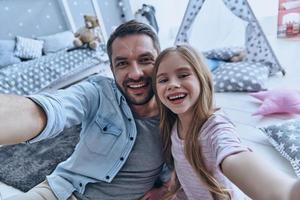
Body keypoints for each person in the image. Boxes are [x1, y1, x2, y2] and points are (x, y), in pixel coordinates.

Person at [0, 20, 169, 200]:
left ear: (160, 62)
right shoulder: (98, 93)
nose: (135, 73)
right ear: (112, 69)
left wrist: (166, 188)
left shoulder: (177, 116)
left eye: (145, 60)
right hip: (62, 193)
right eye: (122, 64)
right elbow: (53, 109)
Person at [152, 44, 300, 200]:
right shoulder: (173, 126)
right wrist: (166, 190)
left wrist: (288, 192)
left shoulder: (214, 127)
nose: (172, 84)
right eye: (163, 80)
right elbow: (184, 173)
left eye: (183, 75)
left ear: (202, 79)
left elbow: (233, 155)